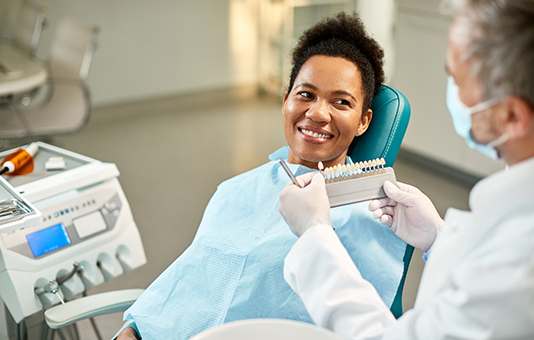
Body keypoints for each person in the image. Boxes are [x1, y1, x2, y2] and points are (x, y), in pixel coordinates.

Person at [116, 12, 410, 340]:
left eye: (341, 102)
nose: (317, 113)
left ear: (364, 121)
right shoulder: (235, 190)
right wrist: (136, 326)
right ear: (285, 102)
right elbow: (191, 277)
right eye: (306, 95)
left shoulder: (371, 215)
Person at [279, 0, 534, 339]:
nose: (318, 113)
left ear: (512, 117)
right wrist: (437, 239)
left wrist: (314, 234)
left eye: (457, 82)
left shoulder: (521, 258)